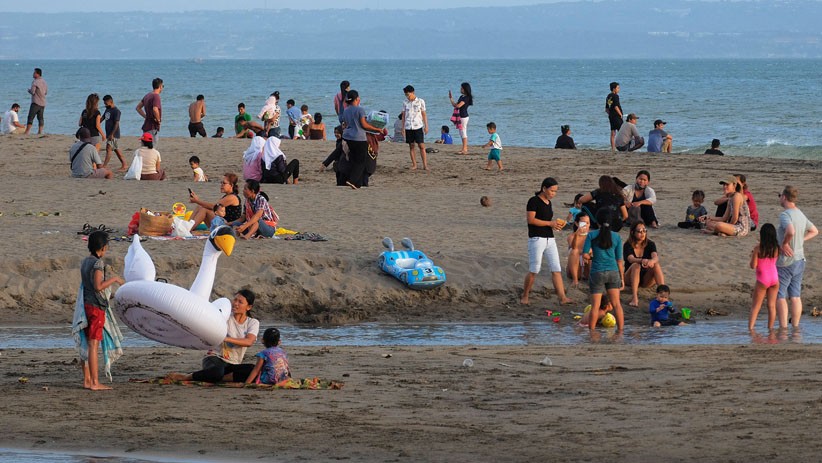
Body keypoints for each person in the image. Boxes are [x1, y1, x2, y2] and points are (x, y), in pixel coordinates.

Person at [165, 289, 260, 383]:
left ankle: (217, 378)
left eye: (240, 302)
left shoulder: (252, 322)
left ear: (248, 307)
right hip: (215, 358)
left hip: (233, 363)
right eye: (235, 300)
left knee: (252, 370)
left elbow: (249, 342)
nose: (235, 303)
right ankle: (187, 377)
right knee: (217, 371)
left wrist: (224, 338)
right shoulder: (225, 316)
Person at [80, 230, 124, 390]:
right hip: (95, 307)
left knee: (86, 343)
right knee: (93, 345)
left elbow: (89, 285)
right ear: (104, 247)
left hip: (85, 304)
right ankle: (94, 383)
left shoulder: (86, 261)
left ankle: (87, 380)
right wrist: (115, 279)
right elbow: (98, 287)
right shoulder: (98, 264)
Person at [520, 177, 572, 306]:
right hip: (536, 238)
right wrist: (550, 223)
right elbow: (531, 220)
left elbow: (548, 222)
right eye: (552, 190)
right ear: (544, 188)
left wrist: (555, 225)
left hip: (550, 239)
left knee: (556, 268)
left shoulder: (549, 203)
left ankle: (562, 297)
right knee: (534, 269)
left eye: (555, 191)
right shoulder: (533, 201)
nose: (553, 193)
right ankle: (525, 295)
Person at [775, 186, 818, 329]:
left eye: (780, 195)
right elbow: (814, 231)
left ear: (785, 197)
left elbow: (791, 231)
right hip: (800, 260)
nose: (780, 197)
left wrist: (785, 243)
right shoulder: (800, 213)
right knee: (795, 295)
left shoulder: (785, 215)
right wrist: (801, 240)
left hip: (786, 261)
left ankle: (783, 328)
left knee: (780, 295)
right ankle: (795, 327)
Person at [582, 208, 625, 331]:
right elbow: (619, 260)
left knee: (595, 306)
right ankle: (621, 331)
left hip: (597, 271)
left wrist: (592, 256)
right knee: (617, 304)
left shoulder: (591, 235)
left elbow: (585, 254)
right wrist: (622, 277)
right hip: (613, 271)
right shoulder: (616, 237)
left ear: (597, 221)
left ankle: (592, 332)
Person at [341, 90, 388, 189]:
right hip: (359, 138)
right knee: (361, 162)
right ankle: (352, 181)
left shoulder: (346, 110)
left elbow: (346, 124)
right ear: (357, 99)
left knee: (354, 159)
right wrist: (377, 129)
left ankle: (356, 183)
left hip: (348, 137)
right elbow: (364, 125)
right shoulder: (360, 110)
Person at [623, 221, 666, 308]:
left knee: (656, 264)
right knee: (636, 265)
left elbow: (655, 257)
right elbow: (630, 259)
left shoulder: (650, 244)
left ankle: (663, 294)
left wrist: (651, 261)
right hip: (630, 277)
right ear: (633, 232)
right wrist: (642, 260)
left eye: (644, 231)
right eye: (639, 231)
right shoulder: (628, 244)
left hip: (646, 280)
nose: (642, 233)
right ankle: (634, 297)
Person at [748, 223, 780, 331]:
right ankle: (770, 329)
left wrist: (752, 255)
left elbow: (753, 265)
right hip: (774, 278)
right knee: (771, 306)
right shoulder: (776, 248)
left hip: (763, 279)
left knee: (755, 307)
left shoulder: (758, 248)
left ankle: (751, 330)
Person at [402, 85, 430, 170]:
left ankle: (425, 165)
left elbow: (424, 114)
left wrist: (426, 126)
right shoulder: (405, 102)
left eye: (408, 94)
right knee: (411, 146)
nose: (407, 96)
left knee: (421, 145)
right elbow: (403, 116)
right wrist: (402, 128)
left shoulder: (420, 101)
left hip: (418, 126)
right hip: (408, 126)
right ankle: (414, 164)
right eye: (406, 95)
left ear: (413, 92)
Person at [101, 95, 127, 171]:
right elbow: (102, 118)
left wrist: (112, 134)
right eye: (104, 103)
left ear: (111, 102)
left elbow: (116, 123)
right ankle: (124, 164)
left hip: (113, 134)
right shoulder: (107, 110)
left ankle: (104, 166)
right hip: (108, 133)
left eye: (106, 103)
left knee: (108, 149)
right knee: (116, 149)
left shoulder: (116, 111)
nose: (105, 105)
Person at [566, 212, 591, 288]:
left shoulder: (591, 236)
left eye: (588, 223)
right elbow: (574, 247)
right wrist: (577, 234)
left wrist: (587, 253)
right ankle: (575, 280)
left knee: (591, 253)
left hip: (587, 264)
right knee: (574, 251)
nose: (586, 225)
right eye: (583, 223)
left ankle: (591, 278)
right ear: (577, 224)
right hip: (575, 267)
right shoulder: (572, 236)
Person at [135, 77, 163, 146]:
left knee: (145, 146)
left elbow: (138, 108)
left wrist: (146, 116)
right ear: (160, 86)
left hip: (146, 125)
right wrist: (158, 120)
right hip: (152, 126)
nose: (162, 88)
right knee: (151, 147)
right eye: (162, 86)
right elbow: (155, 109)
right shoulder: (156, 96)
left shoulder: (147, 95)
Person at [449, 82, 472, 154]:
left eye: (462, 88)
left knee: (463, 132)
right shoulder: (462, 97)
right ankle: (464, 148)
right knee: (461, 132)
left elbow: (458, 106)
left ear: (465, 89)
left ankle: (465, 149)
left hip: (464, 116)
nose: (460, 89)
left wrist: (456, 105)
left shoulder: (466, 98)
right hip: (460, 116)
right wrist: (451, 98)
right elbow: (455, 105)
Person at [24, 67, 48, 135]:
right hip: (43, 102)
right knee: (40, 118)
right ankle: (40, 131)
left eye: (34, 73)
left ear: (37, 74)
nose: (33, 74)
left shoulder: (35, 82)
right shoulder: (44, 82)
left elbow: (33, 92)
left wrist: (29, 91)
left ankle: (27, 131)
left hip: (36, 102)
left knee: (30, 117)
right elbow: (46, 92)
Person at [605, 82, 623, 152]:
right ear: (614, 89)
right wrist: (620, 114)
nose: (619, 89)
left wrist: (610, 114)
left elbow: (606, 109)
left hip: (611, 116)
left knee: (613, 133)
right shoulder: (615, 96)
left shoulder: (608, 96)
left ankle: (613, 148)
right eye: (618, 88)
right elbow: (616, 106)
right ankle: (622, 146)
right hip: (616, 116)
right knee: (621, 132)